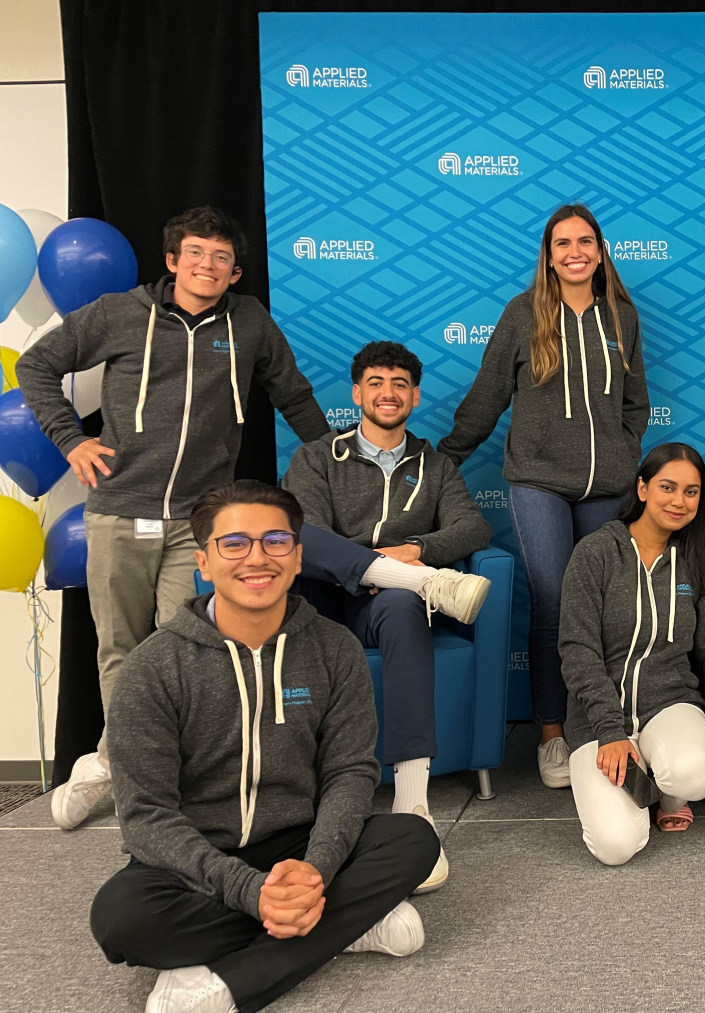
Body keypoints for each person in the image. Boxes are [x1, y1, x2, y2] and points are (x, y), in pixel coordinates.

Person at [15, 206, 331, 830]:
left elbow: (291, 393)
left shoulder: (248, 323)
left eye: (220, 258)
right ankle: (123, 769)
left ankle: (185, 773)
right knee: (121, 652)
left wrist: (332, 459)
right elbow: (36, 366)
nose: (207, 266)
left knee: (187, 647)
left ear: (233, 271)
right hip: (117, 510)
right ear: (172, 261)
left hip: (200, 522)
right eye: (196, 254)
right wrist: (71, 440)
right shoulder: (120, 314)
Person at [89, 481, 442, 1013]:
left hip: (300, 847)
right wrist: (251, 892)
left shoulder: (334, 649)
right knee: (122, 920)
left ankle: (231, 980)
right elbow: (145, 815)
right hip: (197, 862)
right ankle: (342, 925)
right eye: (234, 544)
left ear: (297, 557)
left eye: (275, 541)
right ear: (204, 561)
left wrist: (317, 870)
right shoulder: (153, 667)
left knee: (414, 840)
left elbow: (349, 773)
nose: (257, 557)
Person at [439, 203, 649, 790]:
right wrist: (444, 458)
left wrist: (625, 453)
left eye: (586, 241)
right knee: (554, 598)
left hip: (606, 485)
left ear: (601, 251)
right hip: (537, 480)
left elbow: (635, 399)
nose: (575, 252)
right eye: (563, 244)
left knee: (604, 604)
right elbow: (486, 395)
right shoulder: (522, 314)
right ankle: (552, 734)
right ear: (549, 254)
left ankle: (601, 724)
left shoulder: (622, 317)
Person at [282, 340, 493, 894]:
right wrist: (395, 567)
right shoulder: (317, 458)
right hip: (324, 601)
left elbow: (473, 529)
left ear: (415, 396)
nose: (388, 393)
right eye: (376, 383)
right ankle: (426, 587)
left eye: (399, 384)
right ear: (356, 394)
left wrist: (417, 549)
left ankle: (412, 803)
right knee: (291, 528)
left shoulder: (436, 465)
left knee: (403, 608)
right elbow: (308, 541)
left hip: (385, 605)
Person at [559, 443, 705, 865]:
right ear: (642, 488)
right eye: (667, 487)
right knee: (616, 847)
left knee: (694, 775)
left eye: (691, 492)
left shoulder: (695, 559)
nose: (679, 501)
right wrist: (610, 731)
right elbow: (577, 649)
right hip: (599, 721)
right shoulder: (596, 552)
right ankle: (640, 785)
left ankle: (667, 789)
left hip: (670, 703)